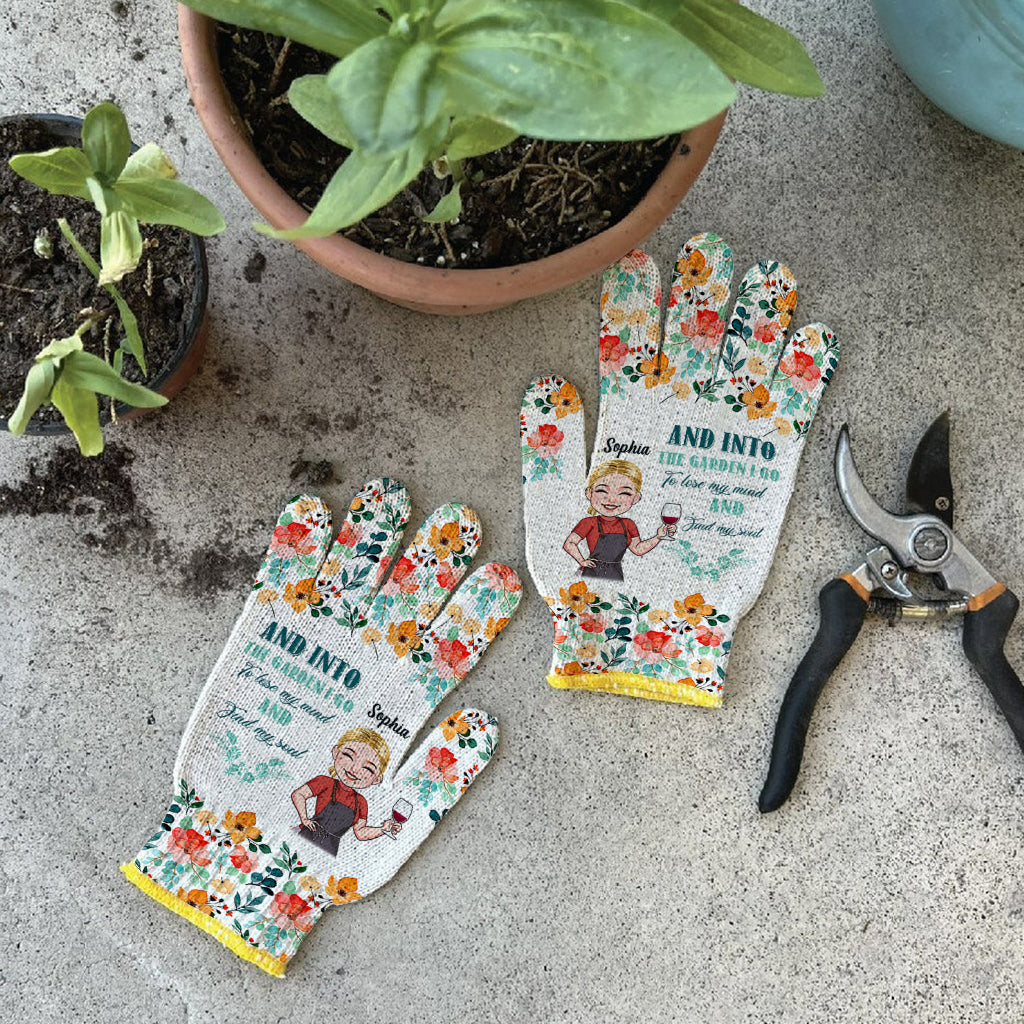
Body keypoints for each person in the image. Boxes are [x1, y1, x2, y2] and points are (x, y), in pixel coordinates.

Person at [290, 728, 399, 857]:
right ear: (336, 752)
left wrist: (382, 829)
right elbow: (299, 794)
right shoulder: (325, 782)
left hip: (328, 848)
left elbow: (360, 832)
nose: (354, 769)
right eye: (349, 756)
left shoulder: (361, 802)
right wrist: (304, 819)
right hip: (306, 835)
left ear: (376, 779)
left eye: (367, 768)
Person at [562, 459, 675, 582]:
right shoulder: (589, 522)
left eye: (624, 493)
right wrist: (582, 561)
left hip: (615, 574)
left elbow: (638, 549)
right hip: (592, 573)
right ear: (589, 493)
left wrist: (658, 537)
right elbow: (569, 543)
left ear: (636, 498)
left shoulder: (628, 524)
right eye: (602, 490)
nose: (612, 499)